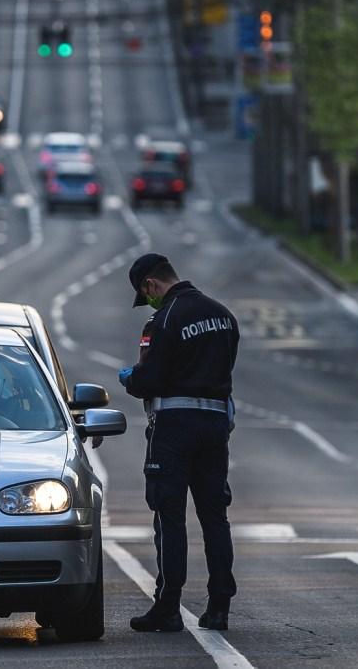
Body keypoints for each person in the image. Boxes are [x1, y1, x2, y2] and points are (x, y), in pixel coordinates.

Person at [118, 253, 238, 633]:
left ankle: (168, 606)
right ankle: (219, 605)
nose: (148, 302)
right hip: (216, 426)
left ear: (151, 285)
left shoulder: (163, 320)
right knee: (215, 516)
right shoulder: (224, 317)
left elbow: (149, 381)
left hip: (174, 428)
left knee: (169, 516)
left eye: (145, 294)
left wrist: (130, 378)